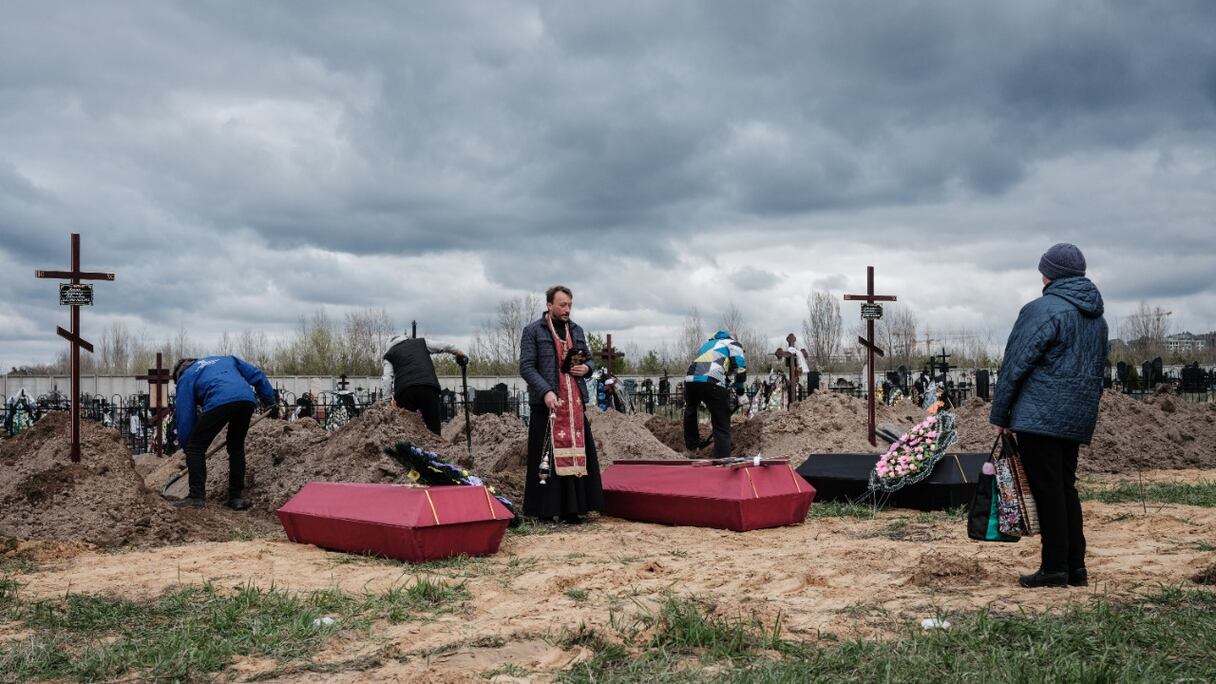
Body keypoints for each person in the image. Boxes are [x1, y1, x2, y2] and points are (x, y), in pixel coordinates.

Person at [990, 243, 1108, 589]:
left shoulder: (1041, 310)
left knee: (1047, 490)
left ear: (1049, 273)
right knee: (1065, 487)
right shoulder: (1096, 317)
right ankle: (1075, 567)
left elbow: (1015, 364)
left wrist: (1001, 412)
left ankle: (1054, 567)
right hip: (1076, 415)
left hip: (1039, 414)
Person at [519, 285, 603, 523]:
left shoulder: (576, 330)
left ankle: (573, 509)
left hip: (574, 403)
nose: (567, 309)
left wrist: (586, 368)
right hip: (548, 404)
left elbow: (591, 361)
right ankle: (546, 510)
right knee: (546, 456)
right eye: (563, 305)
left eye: (570, 305)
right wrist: (545, 391)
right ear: (549, 305)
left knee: (579, 453)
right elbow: (526, 366)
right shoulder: (533, 331)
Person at [172, 355, 276, 509]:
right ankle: (235, 498)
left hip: (219, 399)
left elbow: (185, 414)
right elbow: (256, 374)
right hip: (246, 399)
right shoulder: (226, 359)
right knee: (236, 446)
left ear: (179, 373)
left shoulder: (186, 376)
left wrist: (188, 448)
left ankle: (196, 496)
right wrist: (270, 402)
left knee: (195, 447)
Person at [382, 331, 467, 435]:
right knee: (434, 430)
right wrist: (459, 352)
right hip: (429, 387)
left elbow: (387, 378)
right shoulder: (421, 342)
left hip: (406, 392)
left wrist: (386, 402)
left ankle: (411, 447)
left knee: (407, 430)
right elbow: (443, 346)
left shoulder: (389, 355)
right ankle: (438, 446)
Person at [683, 330, 747, 458]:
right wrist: (740, 392)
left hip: (690, 380)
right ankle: (722, 459)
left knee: (690, 411)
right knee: (721, 422)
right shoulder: (733, 343)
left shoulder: (707, 345)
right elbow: (740, 370)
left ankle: (691, 447)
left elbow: (714, 366)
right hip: (712, 381)